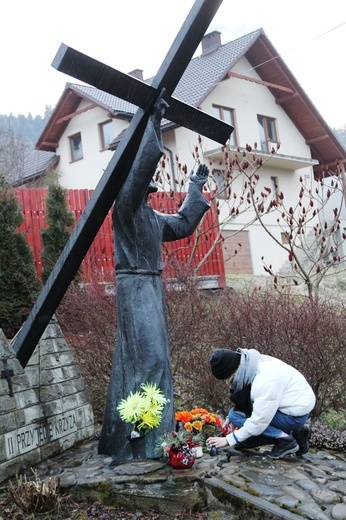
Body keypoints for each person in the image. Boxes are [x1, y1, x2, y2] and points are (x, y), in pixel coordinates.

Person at [98, 93, 211, 462]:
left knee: (155, 358)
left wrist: (194, 187)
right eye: (143, 184)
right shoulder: (126, 211)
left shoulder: (149, 218)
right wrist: (153, 123)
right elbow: (142, 167)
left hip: (152, 286)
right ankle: (141, 430)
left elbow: (181, 224)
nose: (147, 189)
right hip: (134, 286)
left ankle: (151, 431)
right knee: (148, 360)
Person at [206, 348, 316, 459]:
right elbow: (252, 401)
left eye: (227, 379)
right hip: (291, 406)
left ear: (234, 373)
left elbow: (259, 421)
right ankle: (298, 432)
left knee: (237, 418)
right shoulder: (251, 364)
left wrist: (228, 440)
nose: (228, 384)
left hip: (294, 415)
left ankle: (286, 441)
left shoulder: (265, 380)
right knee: (245, 442)